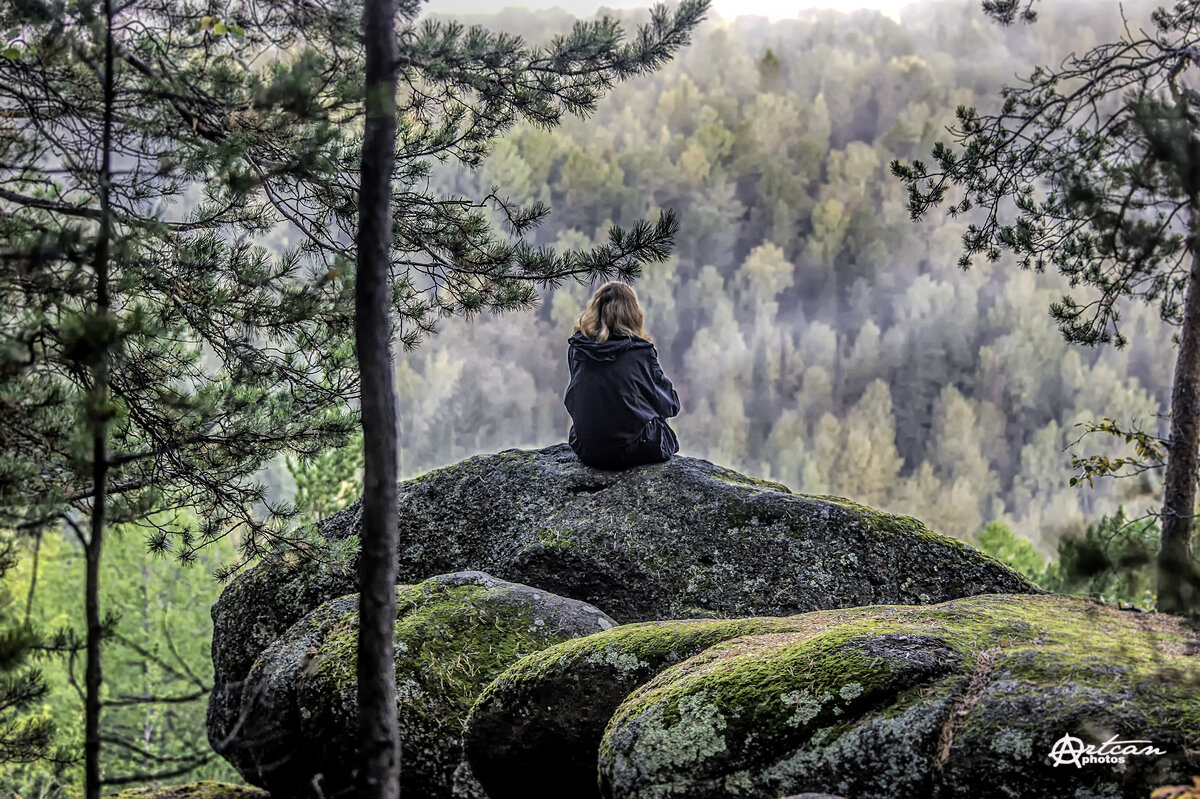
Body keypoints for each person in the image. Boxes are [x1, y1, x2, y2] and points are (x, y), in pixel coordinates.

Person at [563, 281, 680, 469]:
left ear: (595, 309)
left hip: (587, 449)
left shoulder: (578, 348)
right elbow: (670, 405)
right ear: (633, 314)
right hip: (631, 450)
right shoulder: (641, 352)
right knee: (661, 424)